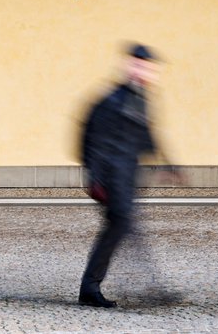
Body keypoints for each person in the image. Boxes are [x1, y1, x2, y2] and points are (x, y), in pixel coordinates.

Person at [78, 43, 181, 308]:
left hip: (126, 177)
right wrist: (95, 178)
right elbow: (91, 139)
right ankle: (131, 289)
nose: (147, 71)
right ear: (130, 66)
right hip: (112, 178)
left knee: (121, 229)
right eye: (141, 65)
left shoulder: (139, 98)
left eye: (149, 67)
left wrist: (169, 164)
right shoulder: (113, 100)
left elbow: (147, 134)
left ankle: (94, 288)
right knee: (123, 227)